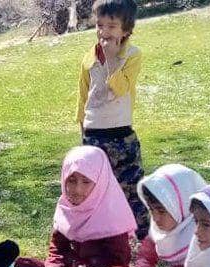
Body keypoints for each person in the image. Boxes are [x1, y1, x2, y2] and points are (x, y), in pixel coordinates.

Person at [13, 145, 135, 267]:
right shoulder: (67, 207)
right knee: (23, 264)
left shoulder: (112, 214)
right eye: (71, 181)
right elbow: (57, 248)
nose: (77, 190)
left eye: (86, 182)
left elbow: (117, 263)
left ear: (100, 182)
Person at [105, 163, 208, 267]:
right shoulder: (160, 232)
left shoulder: (203, 235)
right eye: (151, 210)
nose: (155, 218)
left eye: (161, 211)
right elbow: (143, 256)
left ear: (183, 206)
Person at [78, 0, 147, 239]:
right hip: (94, 134)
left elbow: (120, 88)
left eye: (112, 26)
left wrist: (110, 60)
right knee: (95, 190)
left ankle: (144, 241)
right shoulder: (89, 57)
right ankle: (100, 239)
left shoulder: (132, 55)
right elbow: (83, 94)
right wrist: (82, 126)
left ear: (125, 30)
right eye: (100, 25)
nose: (104, 31)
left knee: (131, 189)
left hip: (121, 134)